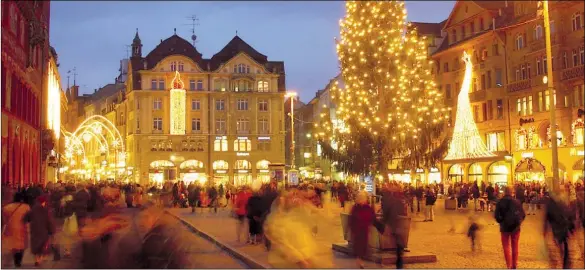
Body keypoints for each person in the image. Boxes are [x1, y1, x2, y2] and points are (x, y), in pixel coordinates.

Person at [494, 187, 525, 269]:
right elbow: (523, 215)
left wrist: (501, 221)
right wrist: (518, 223)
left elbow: (496, 216)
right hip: (515, 228)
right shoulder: (517, 202)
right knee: (515, 246)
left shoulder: (500, 202)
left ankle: (509, 265)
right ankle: (514, 265)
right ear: (512, 192)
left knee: (506, 247)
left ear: (504, 192)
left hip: (504, 228)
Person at [543, 193, 576, 269]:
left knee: (561, 245)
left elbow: (546, 219)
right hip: (564, 227)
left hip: (557, 229)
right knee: (564, 244)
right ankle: (565, 261)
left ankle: (563, 260)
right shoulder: (562, 203)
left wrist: (544, 230)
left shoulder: (550, 206)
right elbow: (569, 214)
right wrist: (572, 227)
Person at [26, 195, 58, 266]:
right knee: (43, 246)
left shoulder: (33, 209)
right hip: (44, 231)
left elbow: (27, 217)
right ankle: (40, 259)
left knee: (35, 246)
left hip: (34, 230)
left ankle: (37, 260)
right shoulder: (46, 210)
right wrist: (52, 231)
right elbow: (49, 221)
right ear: (43, 202)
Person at [2, 192, 31, 268]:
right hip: (22, 228)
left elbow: (4, 220)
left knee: (14, 244)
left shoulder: (7, 207)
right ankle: (19, 260)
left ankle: (16, 259)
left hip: (11, 228)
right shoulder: (26, 207)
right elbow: (28, 218)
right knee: (21, 245)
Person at [349, 191, 376, 269]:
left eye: (363, 199)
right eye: (360, 198)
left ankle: (360, 259)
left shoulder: (367, 207)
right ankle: (359, 260)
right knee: (359, 246)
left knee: (364, 245)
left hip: (364, 230)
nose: (362, 200)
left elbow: (372, 217)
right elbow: (352, 219)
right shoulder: (355, 208)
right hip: (358, 230)